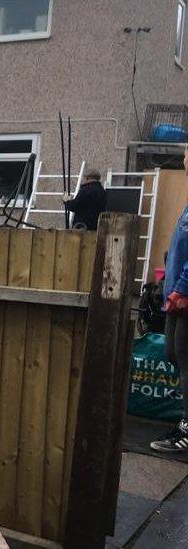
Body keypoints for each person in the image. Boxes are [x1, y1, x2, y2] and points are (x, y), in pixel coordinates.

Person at [152, 147, 188, 453]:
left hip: (184, 296)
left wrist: (183, 288)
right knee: (174, 354)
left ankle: (187, 428)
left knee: (184, 356)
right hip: (176, 294)